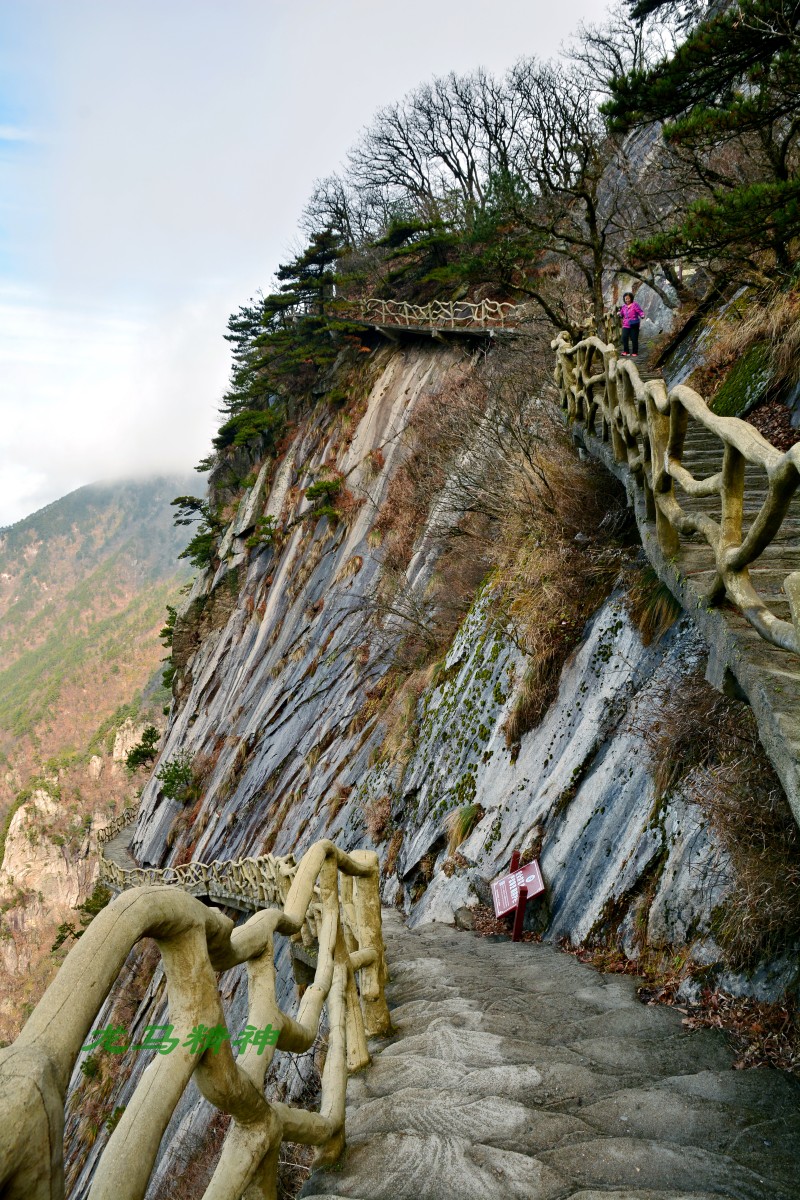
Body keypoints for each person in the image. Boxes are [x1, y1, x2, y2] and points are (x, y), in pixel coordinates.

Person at [619, 291, 644, 357]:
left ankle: (635, 352)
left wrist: (642, 315)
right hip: (626, 324)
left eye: (628, 298)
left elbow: (640, 311)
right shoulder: (623, 306)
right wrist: (619, 314)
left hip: (634, 324)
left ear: (631, 298)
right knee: (624, 337)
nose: (627, 300)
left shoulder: (634, 305)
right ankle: (626, 351)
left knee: (634, 338)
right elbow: (621, 314)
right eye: (626, 299)